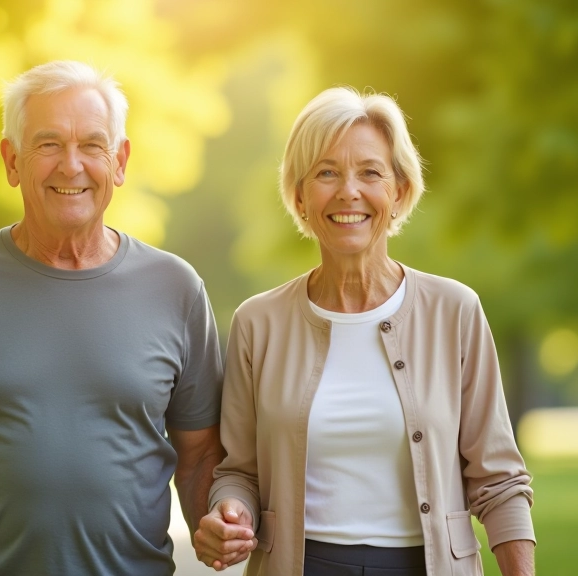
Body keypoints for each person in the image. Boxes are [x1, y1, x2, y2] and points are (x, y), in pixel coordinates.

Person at [0, 60, 225, 576]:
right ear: (12, 161)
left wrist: (217, 529)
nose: (71, 166)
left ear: (120, 161)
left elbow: (201, 453)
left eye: (92, 145)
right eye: (48, 144)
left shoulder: (177, 288)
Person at [193, 87, 536, 576]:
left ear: (399, 192)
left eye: (370, 173)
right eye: (326, 173)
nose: (348, 191)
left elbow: (500, 482)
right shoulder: (258, 323)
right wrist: (232, 510)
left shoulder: (455, 311)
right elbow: (239, 473)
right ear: (300, 197)